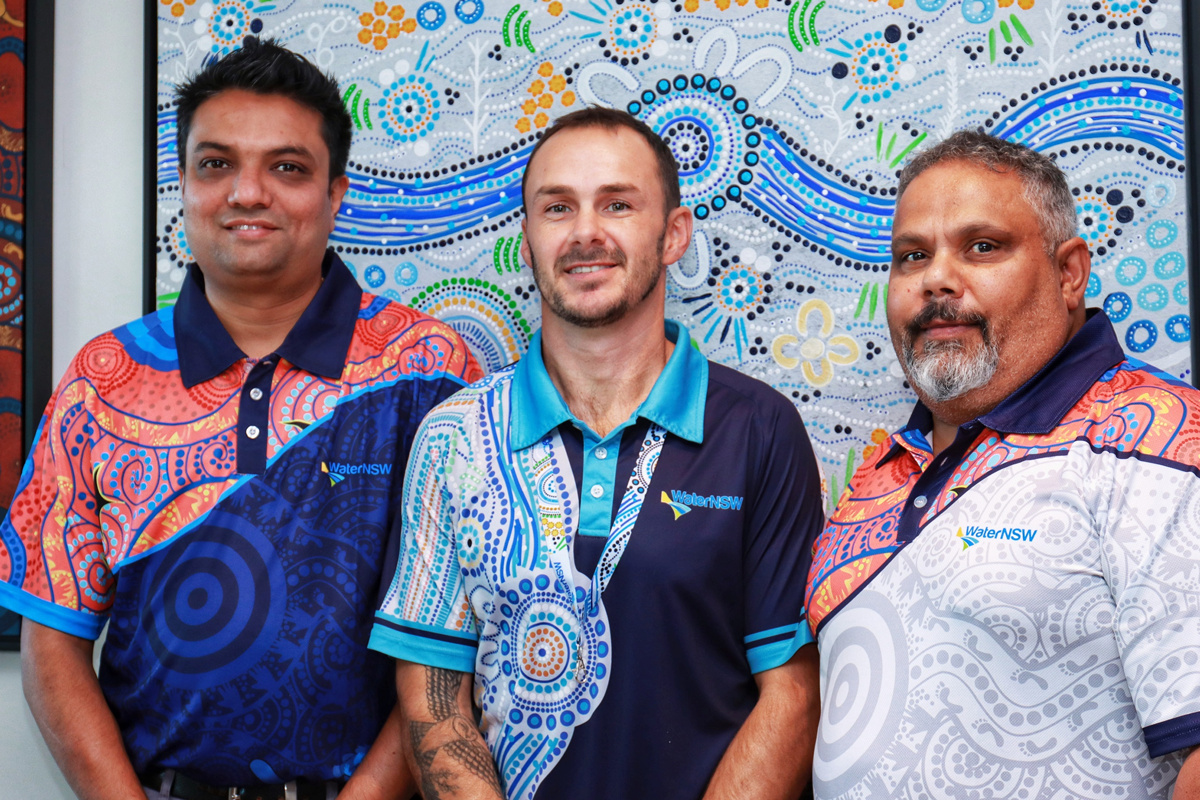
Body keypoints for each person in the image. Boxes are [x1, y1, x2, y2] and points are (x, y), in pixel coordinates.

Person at [0, 38, 482, 800]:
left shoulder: (428, 367)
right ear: (184, 185)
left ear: (336, 193)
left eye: (287, 168)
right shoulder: (103, 379)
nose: (247, 193)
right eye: (215, 163)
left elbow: (459, 627)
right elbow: (51, 640)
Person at [368, 107, 824, 800]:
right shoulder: (453, 436)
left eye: (617, 204)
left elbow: (792, 696)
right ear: (527, 240)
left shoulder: (759, 428)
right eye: (557, 207)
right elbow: (433, 701)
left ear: (673, 234)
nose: (586, 232)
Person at [804, 129, 1200, 799]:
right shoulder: (881, 472)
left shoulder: (1160, 442)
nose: (937, 279)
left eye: (983, 246)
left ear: (1069, 273)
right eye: (911, 256)